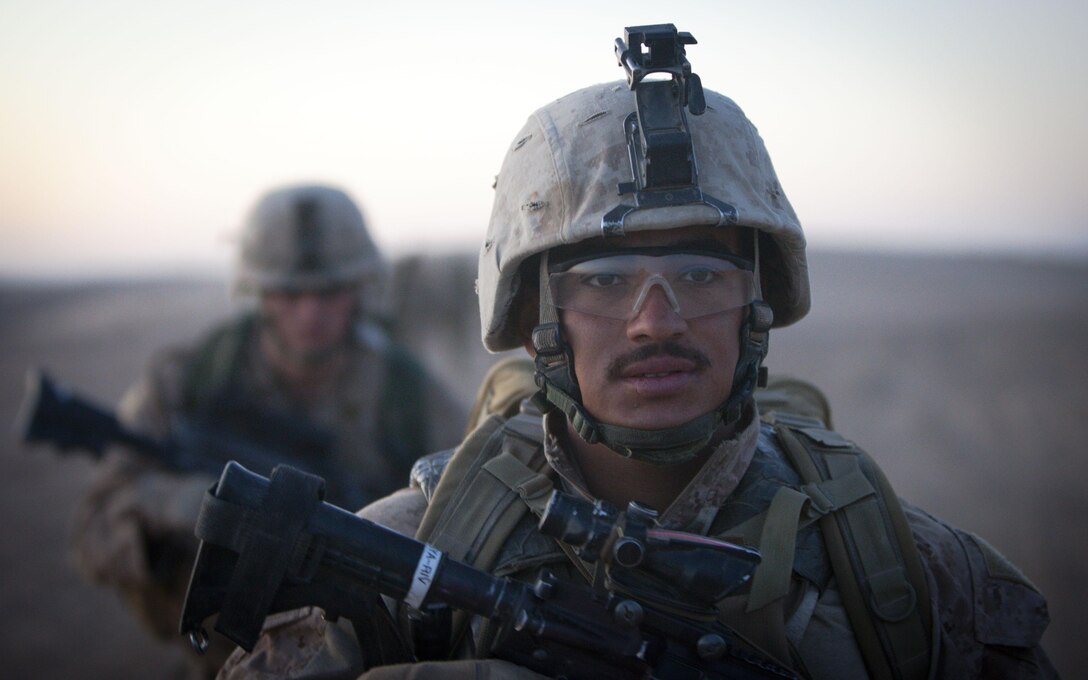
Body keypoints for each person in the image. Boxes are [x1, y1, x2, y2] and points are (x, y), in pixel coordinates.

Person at [217, 25, 1056, 680]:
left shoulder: (910, 576)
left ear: (756, 308)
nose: (657, 323)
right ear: (539, 318)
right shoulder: (398, 562)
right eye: (606, 281)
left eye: (699, 274)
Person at [69, 184, 468, 678]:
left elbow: (472, 510)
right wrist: (180, 505)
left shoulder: (409, 395)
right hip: (215, 653)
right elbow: (93, 528)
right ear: (256, 289)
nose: (310, 314)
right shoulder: (192, 378)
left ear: (361, 286)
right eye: (289, 293)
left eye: (329, 290)